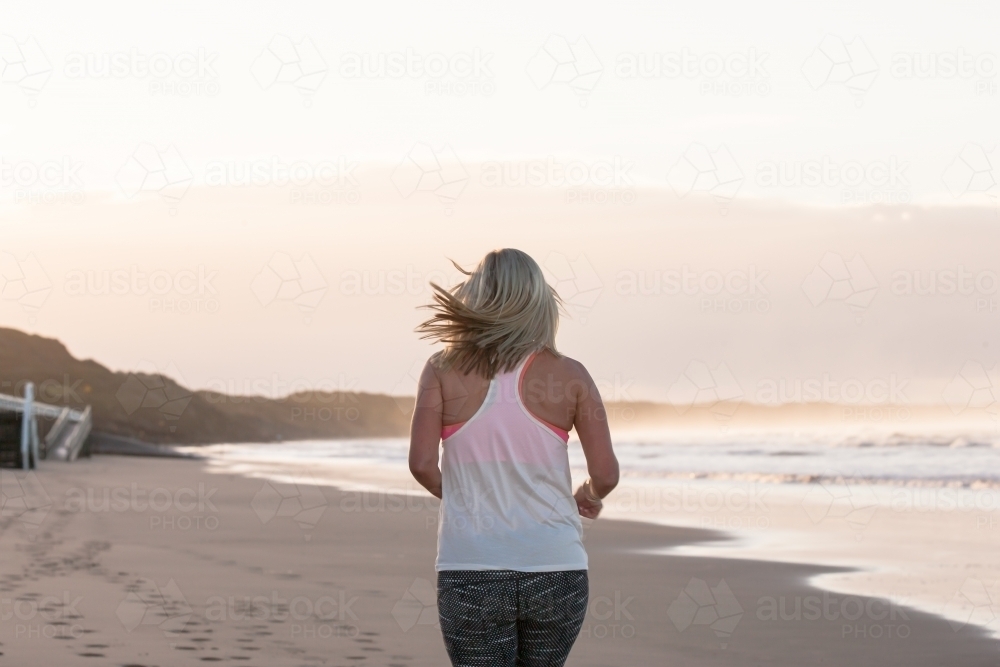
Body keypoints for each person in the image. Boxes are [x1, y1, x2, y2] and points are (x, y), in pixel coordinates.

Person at [408, 248, 619, 667]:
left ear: (476, 296)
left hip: (471, 569)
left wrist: (463, 497)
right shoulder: (572, 374)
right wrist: (589, 495)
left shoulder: (441, 368)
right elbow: (607, 474)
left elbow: (422, 465)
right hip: (556, 568)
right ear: (540, 301)